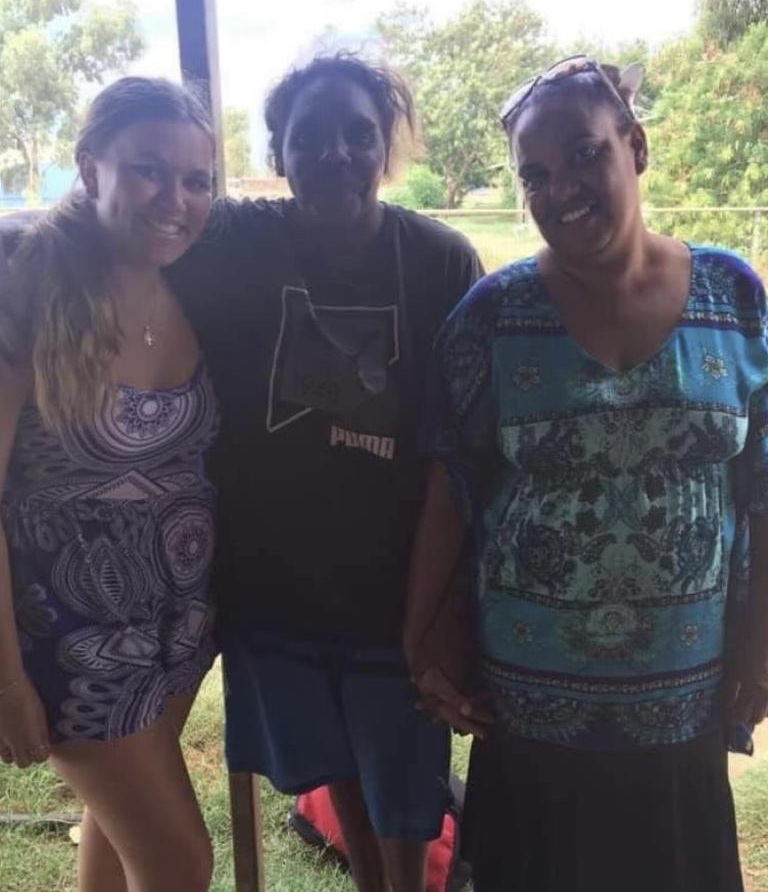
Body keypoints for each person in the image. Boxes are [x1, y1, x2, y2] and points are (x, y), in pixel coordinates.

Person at [404, 56, 768, 892]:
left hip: (682, 699)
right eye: (535, 174)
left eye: (584, 154)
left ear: (634, 147)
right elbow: (448, 492)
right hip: (529, 704)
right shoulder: (492, 317)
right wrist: (421, 641)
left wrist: (759, 640)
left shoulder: (734, 296)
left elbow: (761, 484)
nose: (559, 187)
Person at [168, 53, 483, 892]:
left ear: (387, 148)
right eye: (310, 136)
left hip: (399, 599)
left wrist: (448, 604)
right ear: (278, 151)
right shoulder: (235, 240)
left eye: (358, 133)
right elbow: (121, 225)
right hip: (277, 594)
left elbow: (466, 449)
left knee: (410, 801)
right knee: (340, 775)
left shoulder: (440, 261)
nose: (335, 152)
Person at [0, 77, 218, 892]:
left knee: (118, 839)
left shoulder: (189, 284)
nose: (176, 198)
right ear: (90, 167)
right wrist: (5, 677)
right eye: (149, 170)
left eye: (196, 180)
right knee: (177, 863)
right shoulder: (25, 280)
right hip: (70, 645)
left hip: (179, 630)